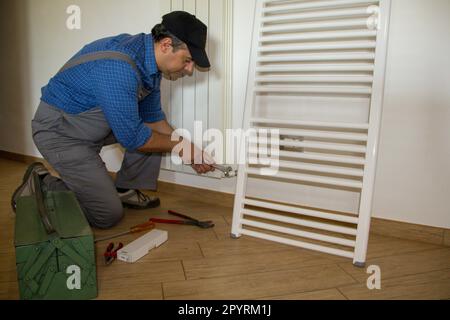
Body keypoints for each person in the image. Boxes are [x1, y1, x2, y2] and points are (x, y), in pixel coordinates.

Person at [11, 11, 216, 229]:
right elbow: (134, 139)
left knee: (156, 136)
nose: (190, 69)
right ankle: (42, 183)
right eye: (187, 60)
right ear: (166, 45)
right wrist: (181, 146)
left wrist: (189, 149)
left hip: (90, 126)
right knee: (107, 215)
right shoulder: (119, 67)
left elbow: (154, 120)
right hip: (60, 133)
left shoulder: (150, 66)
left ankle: (123, 189)